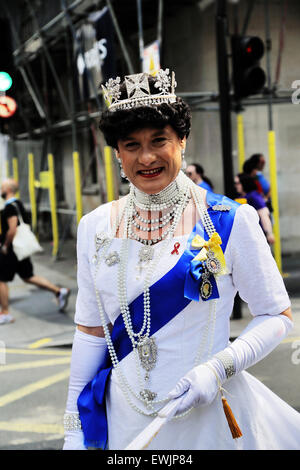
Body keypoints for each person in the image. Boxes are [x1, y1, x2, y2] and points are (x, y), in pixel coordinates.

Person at [63, 69, 300, 451]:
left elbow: (277, 315)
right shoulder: (94, 227)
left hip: (208, 415)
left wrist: (219, 367)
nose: (146, 157)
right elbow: (90, 334)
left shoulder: (228, 220)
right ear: (117, 153)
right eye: (131, 145)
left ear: (182, 141)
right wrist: (74, 429)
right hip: (125, 418)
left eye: (160, 140)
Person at [0, 179, 70, 324]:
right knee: (28, 276)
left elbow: (12, 229)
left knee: (2, 280)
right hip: (19, 249)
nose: (0, 190)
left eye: (2, 187)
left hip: (12, 249)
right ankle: (58, 291)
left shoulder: (10, 208)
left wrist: (5, 246)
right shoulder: (17, 204)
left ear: (7, 190)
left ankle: (5, 313)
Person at [234, 173, 275, 245]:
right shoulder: (240, 196)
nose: (236, 186)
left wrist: (269, 233)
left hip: (256, 235)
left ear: (244, 183)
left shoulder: (254, 196)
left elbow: (264, 214)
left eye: (238, 183)